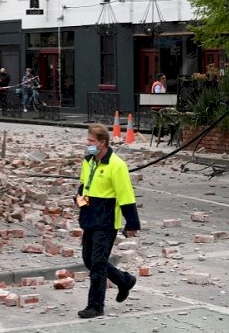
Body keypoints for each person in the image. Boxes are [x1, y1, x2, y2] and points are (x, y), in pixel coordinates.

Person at [75, 124, 140, 319]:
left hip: (106, 222)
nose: (88, 145)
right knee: (89, 259)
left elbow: (126, 196)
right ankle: (124, 280)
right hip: (89, 219)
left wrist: (132, 224)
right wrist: (79, 201)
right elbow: (83, 187)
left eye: (91, 141)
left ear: (102, 143)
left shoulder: (117, 165)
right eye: (88, 141)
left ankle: (95, 306)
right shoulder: (88, 162)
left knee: (98, 264)